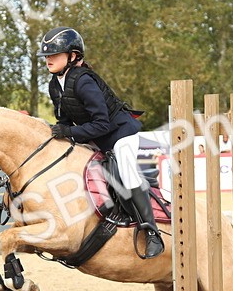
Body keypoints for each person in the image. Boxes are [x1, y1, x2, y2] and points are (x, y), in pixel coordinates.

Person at [36, 26, 163, 258]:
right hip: (96, 136)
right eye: (47, 55)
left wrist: (69, 131)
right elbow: (64, 121)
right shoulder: (55, 85)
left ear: (73, 56)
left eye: (54, 54)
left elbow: (102, 124)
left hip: (120, 134)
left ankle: (152, 232)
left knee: (126, 172)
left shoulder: (84, 81)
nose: (48, 59)